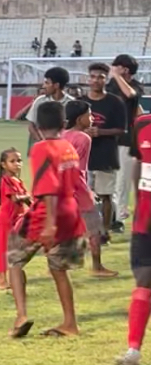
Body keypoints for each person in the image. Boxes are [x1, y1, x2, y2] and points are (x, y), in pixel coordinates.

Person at [7, 102, 86, 338]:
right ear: (64, 124)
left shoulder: (42, 148)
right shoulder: (68, 147)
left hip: (46, 214)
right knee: (59, 270)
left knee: (13, 258)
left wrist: (50, 224)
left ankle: (21, 315)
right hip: (71, 212)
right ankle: (70, 323)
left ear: (38, 126)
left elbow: (49, 188)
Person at [64, 99, 117, 278]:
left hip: (63, 189)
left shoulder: (62, 135)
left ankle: (60, 264)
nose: (92, 117)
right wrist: (87, 190)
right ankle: (97, 266)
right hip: (78, 188)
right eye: (89, 114)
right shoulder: (83, 138)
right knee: (94, 228)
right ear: (80, 119)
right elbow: (78, 167)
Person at [117, 111, 151, 365]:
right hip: (146, 221)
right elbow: (139, 164)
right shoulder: (142, 124)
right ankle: (133, 351)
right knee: (144, 280)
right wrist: (139, 205)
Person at [83, 63, 127, 237]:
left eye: (100, 77)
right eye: (93, 76)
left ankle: (105, 232)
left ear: (106, 80)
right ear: (88, 78)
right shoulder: (80, 102)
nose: (96, 80)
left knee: (105, 195)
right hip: (83, 156)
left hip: (106, 155)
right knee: (83, 196)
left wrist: (100, 132)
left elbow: (122, 129)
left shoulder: (115, 102)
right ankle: (86, 230)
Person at [106, 54, 144, 231]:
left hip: (127, 140)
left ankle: (119, 218)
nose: (112, 69)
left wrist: (117, 76)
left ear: (125, 70)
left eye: (116, 66)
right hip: (109, 138)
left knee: (122, 181)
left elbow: (131, 95)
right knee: (109, 180)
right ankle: (110, 215)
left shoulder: (135, 87)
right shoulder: (111, 86)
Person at [0, 148, 28, 290]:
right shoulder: (6, 181)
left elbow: (27, 200)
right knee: (3, 249)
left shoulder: (18, 180)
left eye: (19, 160)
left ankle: (0, 278)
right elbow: (15, 198)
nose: (17, 164)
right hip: (6, 219)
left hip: (17, 220)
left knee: (14, 248)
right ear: (3, 165)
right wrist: (28, 197)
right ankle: (1, 277)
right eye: (12, 161)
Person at [27, 66, 73, 151]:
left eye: (47, 83)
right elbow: (31, 125)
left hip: (62, 149)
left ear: (56, 85)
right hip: (40, 148)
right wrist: (43, 142)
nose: (44, 86)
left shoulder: (70, 103)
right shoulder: (40, 100)